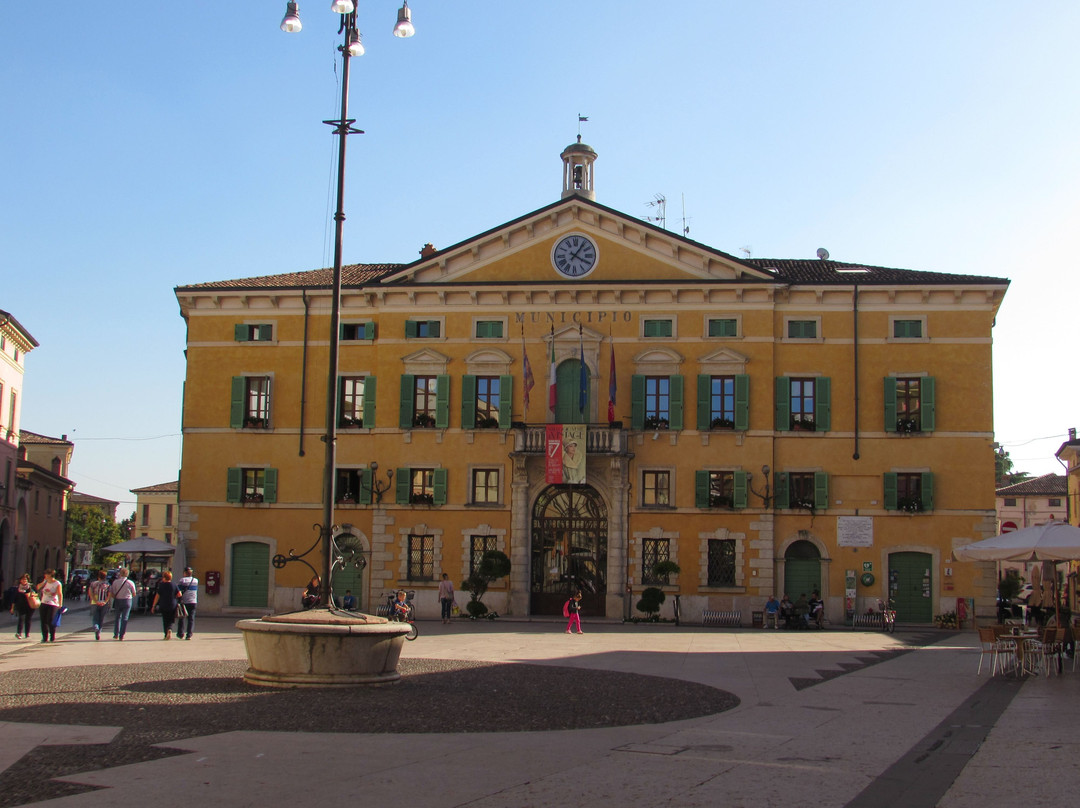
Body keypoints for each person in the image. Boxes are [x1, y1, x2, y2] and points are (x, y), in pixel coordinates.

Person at [151, 570, 180, 640]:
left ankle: (166, 634)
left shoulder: (161, 585)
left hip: (163, 604)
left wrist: (153, 606)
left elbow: (157, 596)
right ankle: (170, 629)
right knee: (170, 619)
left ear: (164, 577)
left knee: (165, 619)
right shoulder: (174, 585)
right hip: (172, 604)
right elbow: (179, 594)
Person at [36, 569, 63, 643]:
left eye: (47, 574)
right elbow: (38, 588)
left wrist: (60, 604)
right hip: (44, 602)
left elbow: (60, 594)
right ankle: (44, 637)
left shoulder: (57, 583)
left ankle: (52, 635)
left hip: (53, 604)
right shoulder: (45, 582)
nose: (45, 575)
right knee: (43, 621)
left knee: (50, 620)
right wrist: (43, 582)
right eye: (45, 574)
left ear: (51, 575)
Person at [109, 568, 137, 640]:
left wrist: (116, 596)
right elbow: (134, 593)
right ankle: (122, 635)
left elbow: (112, 593)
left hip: (118, 600)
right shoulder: (130, 582)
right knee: (125, 618)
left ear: (120, 574)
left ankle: (116, 634)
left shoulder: (115, 582)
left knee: (117, 617)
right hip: (127, 601)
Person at [87, 569, 111, 641]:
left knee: (95, 617)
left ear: (98, 576)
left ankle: (96, 627)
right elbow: (109, 595)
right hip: (104, 603)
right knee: (101, 618)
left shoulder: (93, 584)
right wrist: (105, 601)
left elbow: (90, 593)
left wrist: (95, 601)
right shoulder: (107, 584)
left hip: (95, 603)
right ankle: (99, 631)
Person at [176, 566, 199, 640]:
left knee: (182, 618)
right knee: (191, 619)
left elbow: (178, 590)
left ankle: (180, 634)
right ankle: (189, 634)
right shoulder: (195, 580)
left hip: (184, 602)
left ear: (185, 573)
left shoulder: (183, 580)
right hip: (193, 601)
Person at [10, 573, 34, 639]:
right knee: (21, 619)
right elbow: (14, 599)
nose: (24, 581)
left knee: (28, 619)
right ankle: (19, 633)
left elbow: (35, 595)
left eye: (25, 579)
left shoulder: (30, 587)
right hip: (20, 606)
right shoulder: (17, 588)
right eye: (23, 579)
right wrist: (12, 608)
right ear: (20, 580)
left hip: (29, 605)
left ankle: (27, 633)